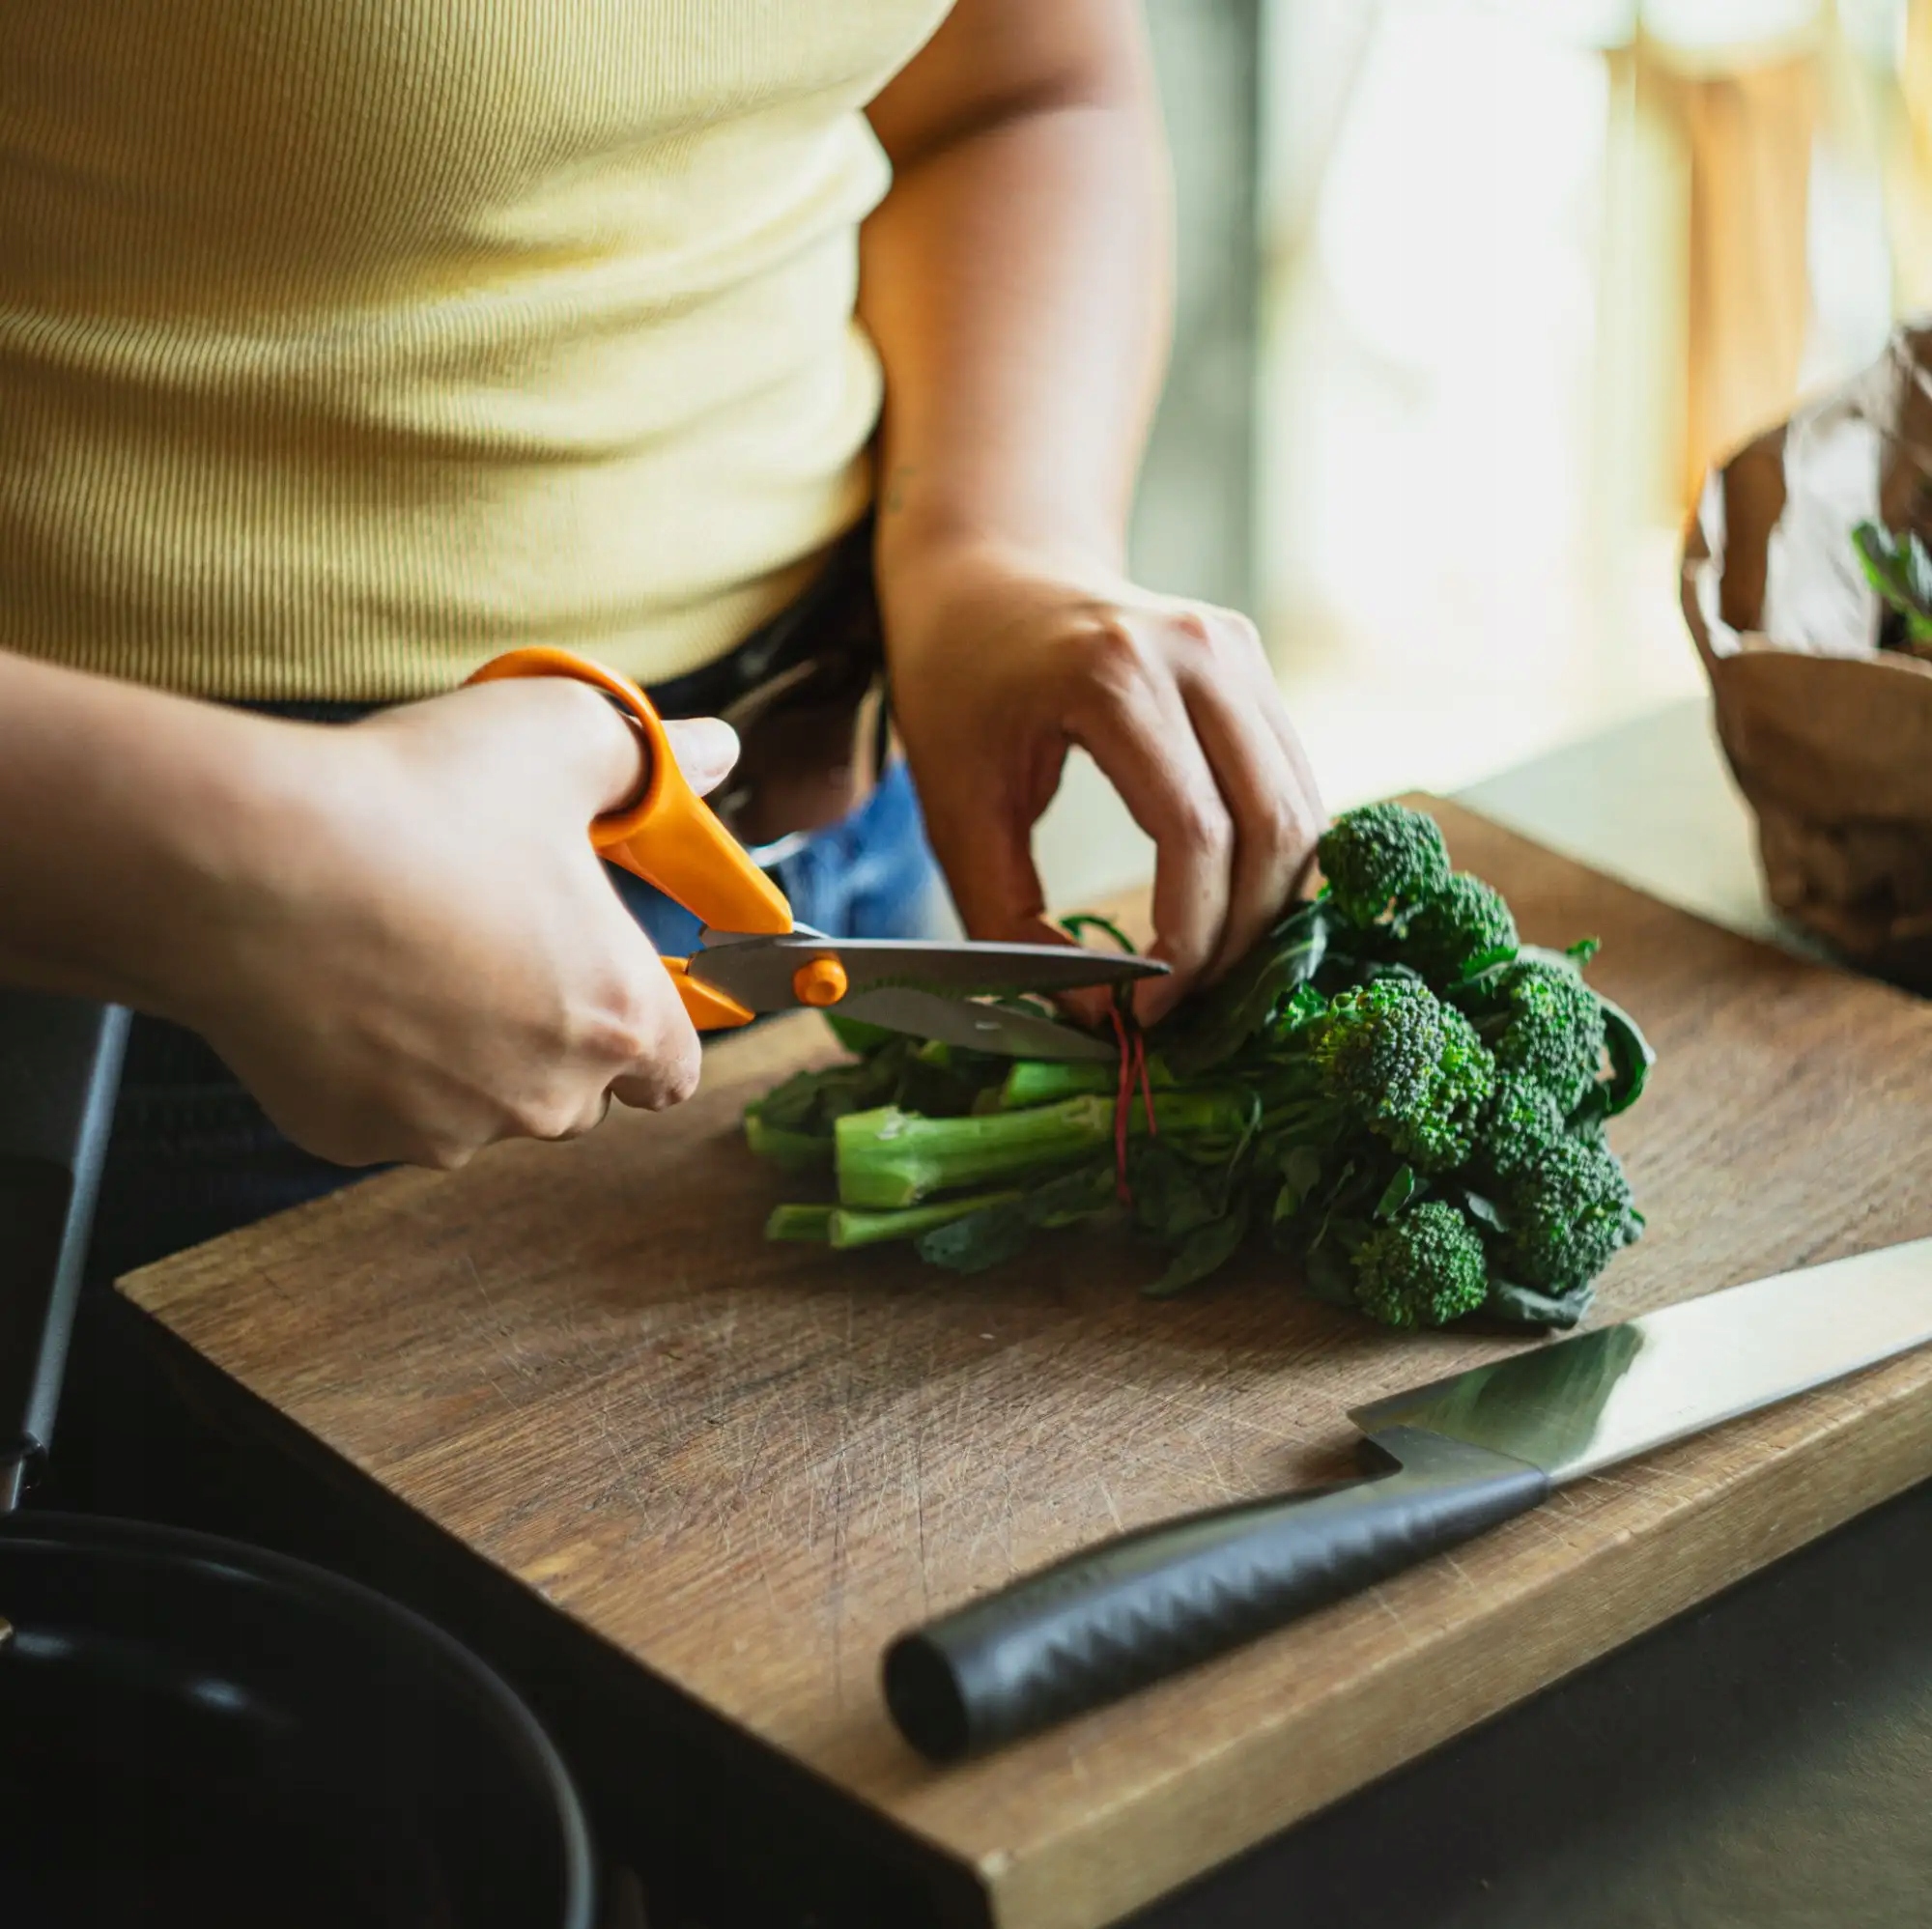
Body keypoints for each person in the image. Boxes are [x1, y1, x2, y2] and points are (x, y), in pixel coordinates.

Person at [0, 1, 1323, 1281]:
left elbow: (1017, 86)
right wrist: (228, 861)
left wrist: (999, 542)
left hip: (844, 830)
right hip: (148, 976)